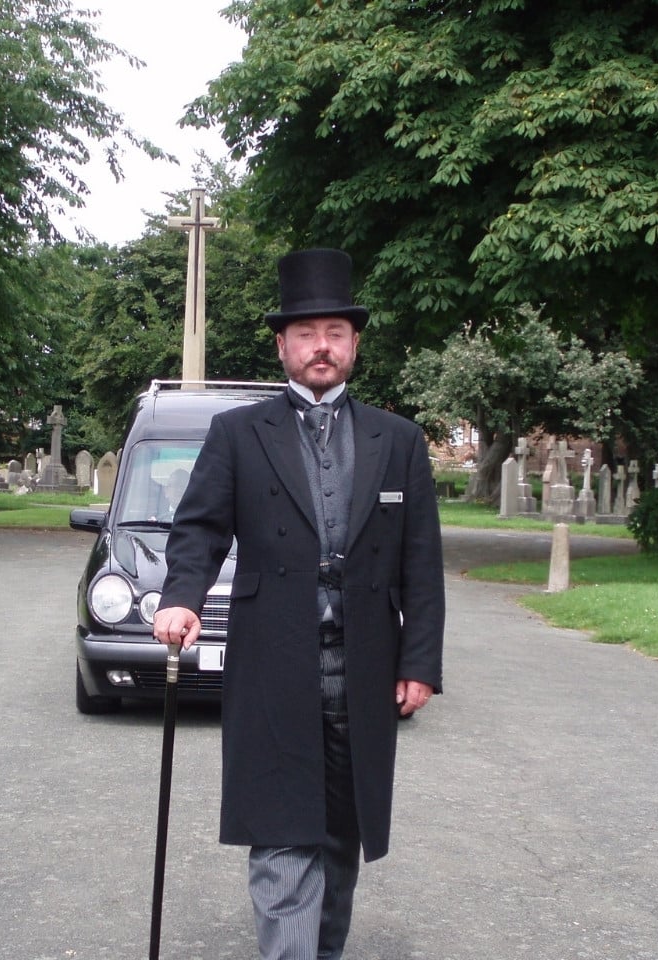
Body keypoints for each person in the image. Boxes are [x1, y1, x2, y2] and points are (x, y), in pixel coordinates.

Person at [153, 247, 445, 960]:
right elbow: (199, 529)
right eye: (308, 334)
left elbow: (420, 561)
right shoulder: (238, 434)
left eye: (336, 334)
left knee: (342, 841)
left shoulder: (399, 441)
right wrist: (181, 598)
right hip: (273, 666)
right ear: (283, 345)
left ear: (354, 345)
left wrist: (421, 663)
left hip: (364, 670)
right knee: (284, 842)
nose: (323, 347)